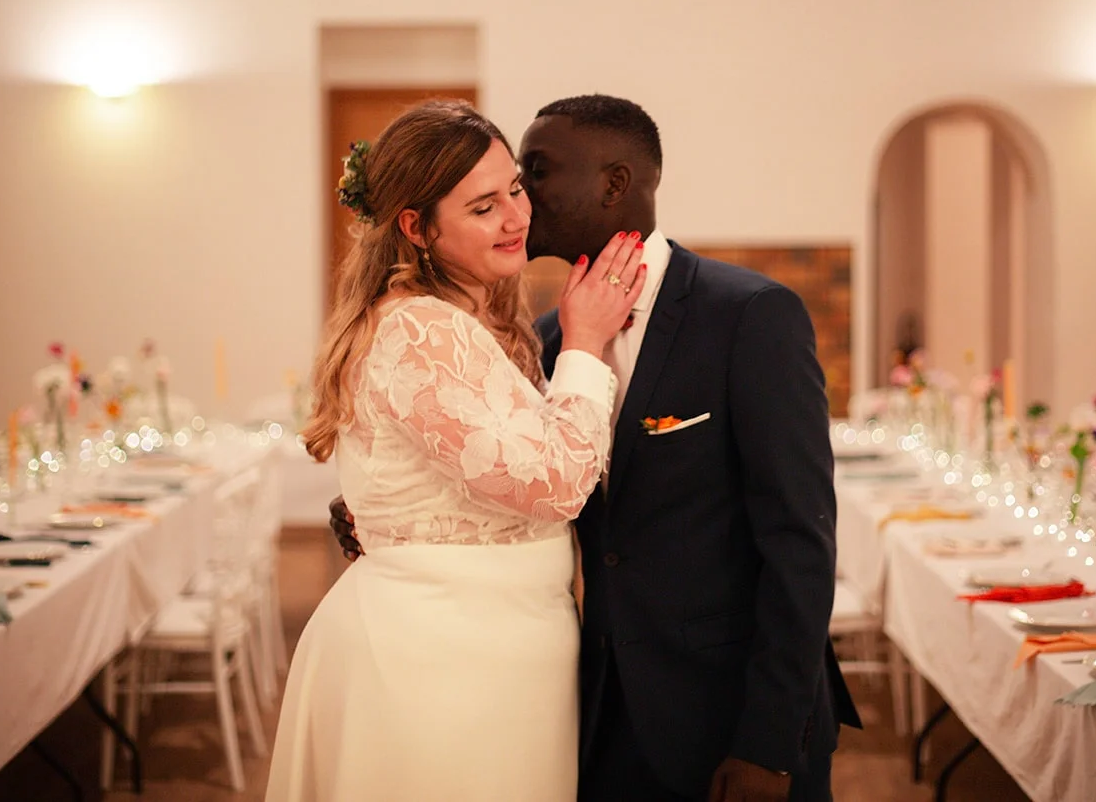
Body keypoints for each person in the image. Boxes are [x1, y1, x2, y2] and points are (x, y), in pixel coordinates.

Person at [332, 94, 860, 802]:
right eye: (500, 192)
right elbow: (498, 463)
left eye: (532, 177)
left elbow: (801, 541)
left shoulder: (749, 316)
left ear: (614, 184)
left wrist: (767, 741)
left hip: (730, 712)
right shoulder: (548, 339)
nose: (522, 202)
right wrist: (381, 504)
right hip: (599, 711)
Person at [266, 99, 647, 802]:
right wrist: (588, 344)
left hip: (489, 655)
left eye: (515, 190)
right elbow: (555, 483)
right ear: (417, 227)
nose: (515, 217)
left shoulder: (481, 320)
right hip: (437, 665)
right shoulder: (419, 330)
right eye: (482, 208)